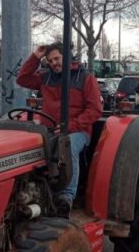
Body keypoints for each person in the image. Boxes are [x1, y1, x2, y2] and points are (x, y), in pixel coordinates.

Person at [16, 42, 103, 215]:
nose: (54, 62)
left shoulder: (84, 78)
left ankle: (66, 197)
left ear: (66, 57)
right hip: (49, 130)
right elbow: (22, 79)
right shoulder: (46, 77)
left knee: (66, 143)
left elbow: (95, 110)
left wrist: (70, 126)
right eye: (50, 60)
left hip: (78, 131)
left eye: (57, 58)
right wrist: (35, 57)